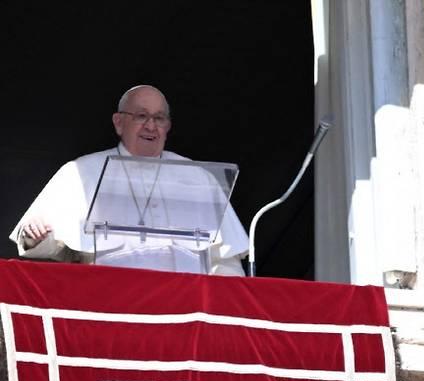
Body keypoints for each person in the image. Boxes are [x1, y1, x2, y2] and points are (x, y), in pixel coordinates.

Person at [8, 85, 248, 276]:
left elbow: (225, 259)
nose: (151, 125)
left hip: (186, 309)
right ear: (119, 122)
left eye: (159, 118)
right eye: (141, 116)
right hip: (111, 304)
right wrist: (35, 236)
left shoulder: (198, 178)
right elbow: (52, 245)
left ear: (168, 126)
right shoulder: (81, 172)